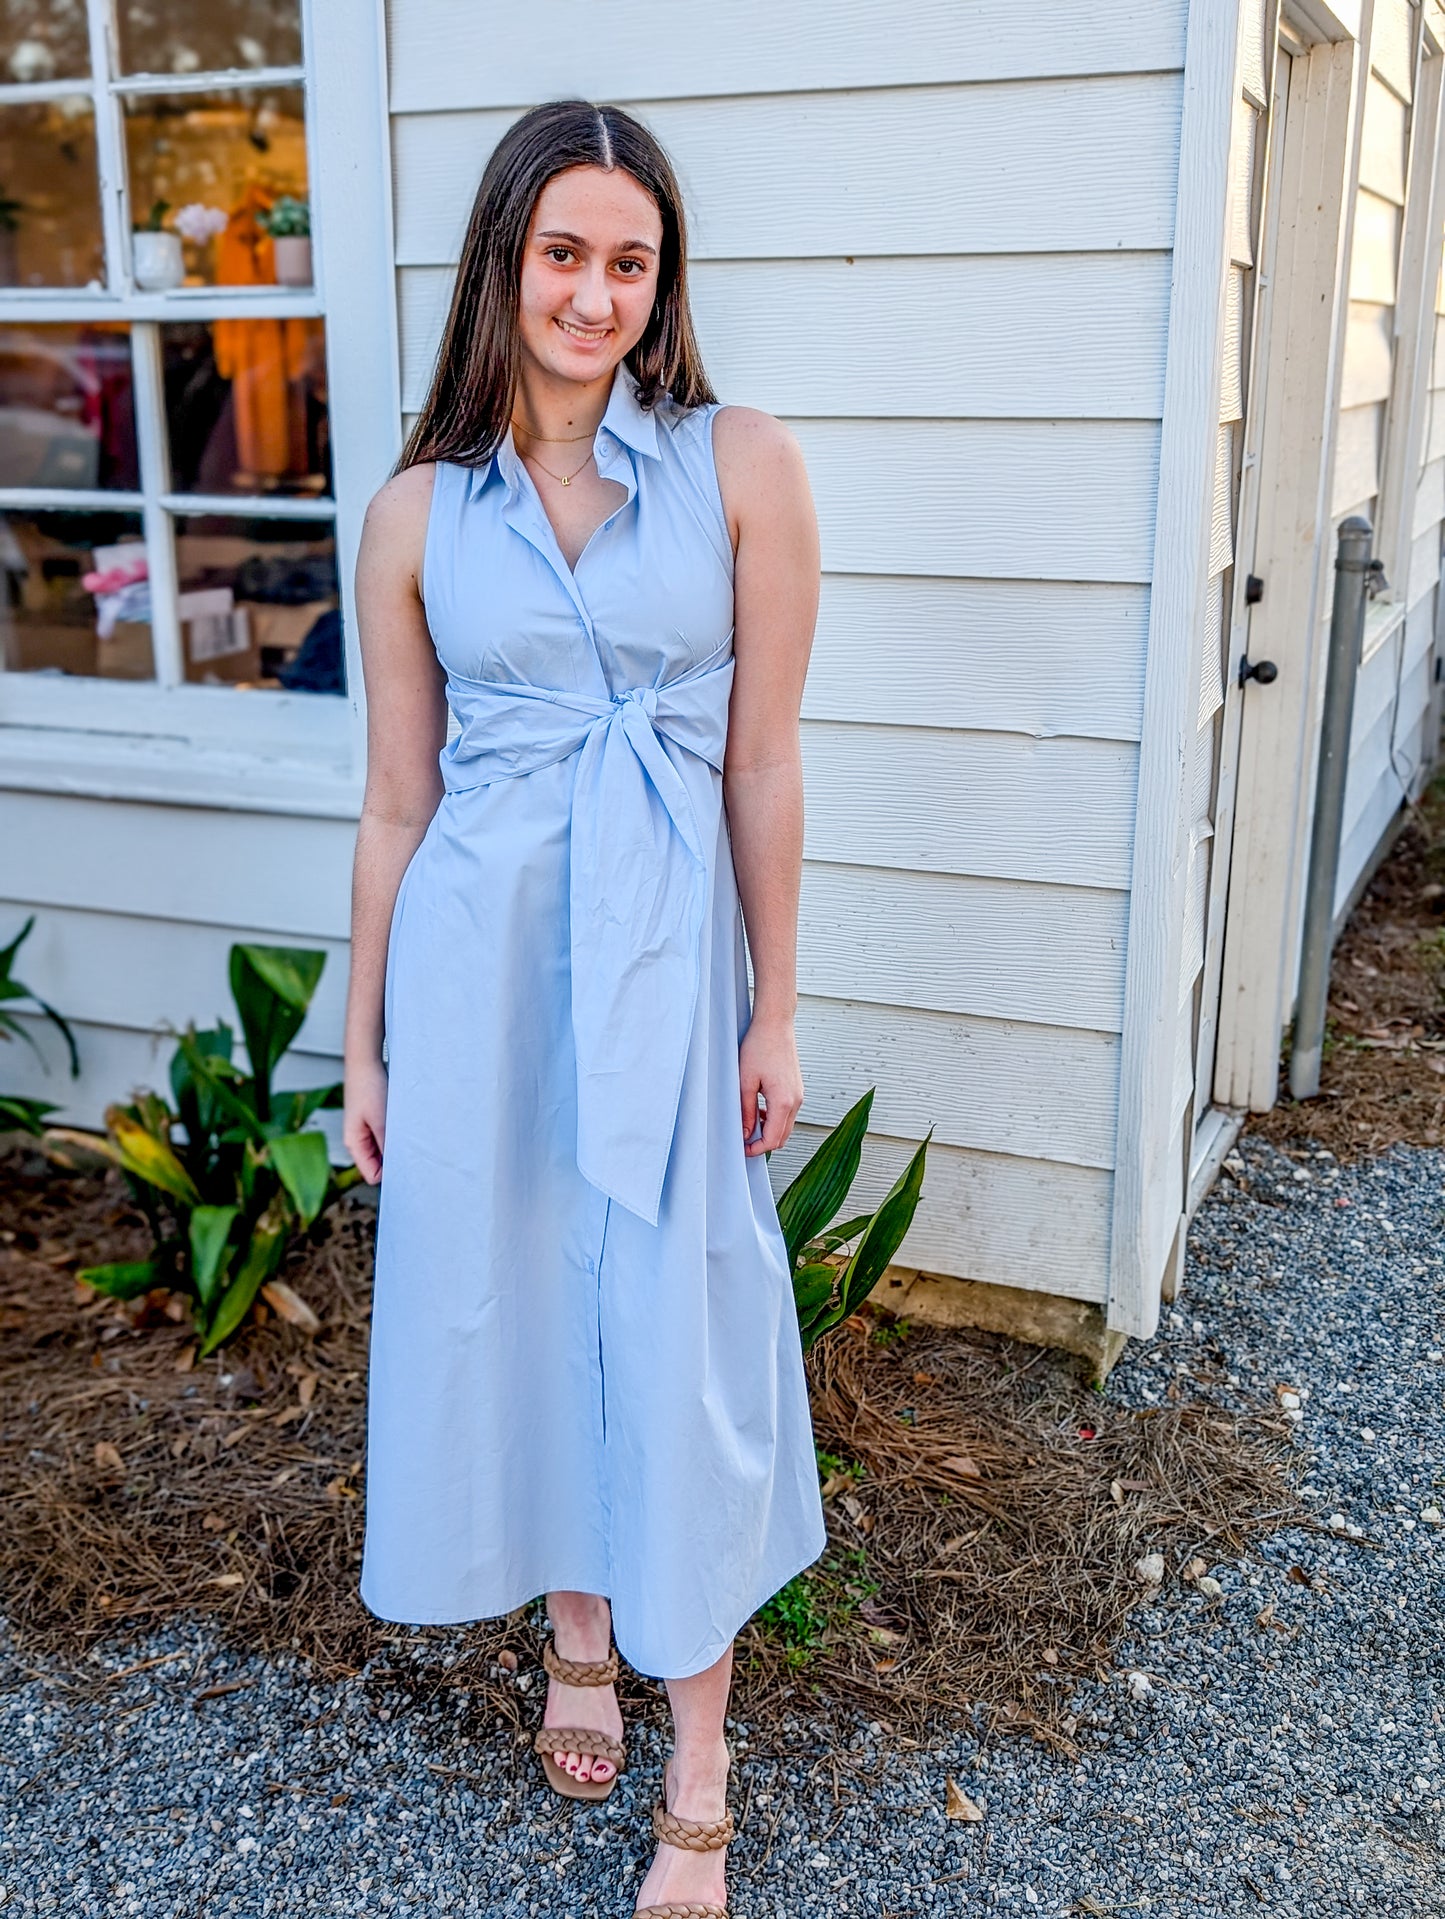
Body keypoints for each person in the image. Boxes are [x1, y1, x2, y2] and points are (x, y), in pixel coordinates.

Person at [342, 98, 826, 1918]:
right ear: (503, 262)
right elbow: (400, 799)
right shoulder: (414, 513)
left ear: (660, 282)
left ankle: (698, 1749)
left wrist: (776, 1007)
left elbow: (761, 766)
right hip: (479, 973)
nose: (595, 294)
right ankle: (575, 1626)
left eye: (630, 261)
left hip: (665, 965)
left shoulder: (740, 468)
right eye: (564, 254)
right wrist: (368, 1038)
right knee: (525, 1290)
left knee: (677, 1317)